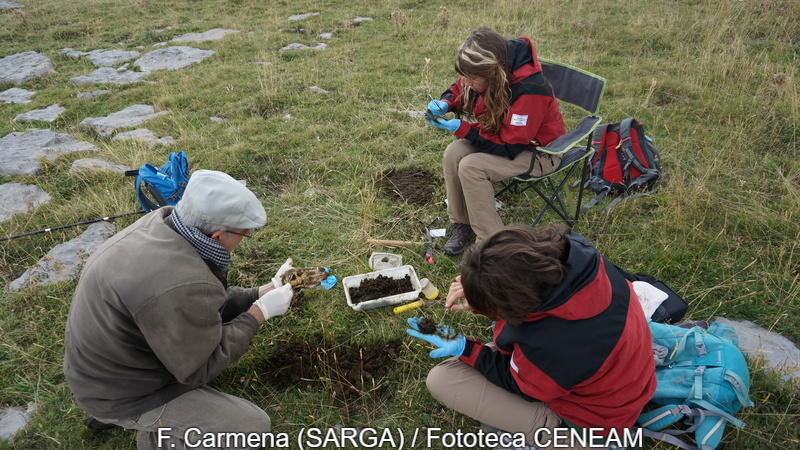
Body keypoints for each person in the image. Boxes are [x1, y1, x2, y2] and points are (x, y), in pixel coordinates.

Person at [63, 169, 306, 450]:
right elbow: (199, 369)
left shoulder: (162, 225)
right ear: (218, 235)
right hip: (126, 391)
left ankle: (120, 413)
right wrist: (258, 314)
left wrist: (258, 293)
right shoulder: (180, 281)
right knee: (251, 428)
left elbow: (195, 306)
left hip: (105, 368)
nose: (243, 240)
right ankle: (147, 428)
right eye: (244, 235)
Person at [406, 224, 656, 450]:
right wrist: (482, 286)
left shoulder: (552, 344)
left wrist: (464, 348)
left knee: (443, 379)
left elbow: (520, 386)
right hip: (625, 377)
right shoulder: (583, 260)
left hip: (595, 426)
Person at [425, 26, 566, 255]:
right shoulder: (493, 66)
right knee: (454, 152)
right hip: (506, 139)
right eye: (467, 76)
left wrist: (465, 129)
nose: (468, 82)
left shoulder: (531, 90)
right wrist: (447, 102)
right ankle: (462, 224)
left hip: (539, 152)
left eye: (473, 78)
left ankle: (493, 243)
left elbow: (510, 146)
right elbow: (460, 87)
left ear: (492, 75)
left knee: (471, 166)